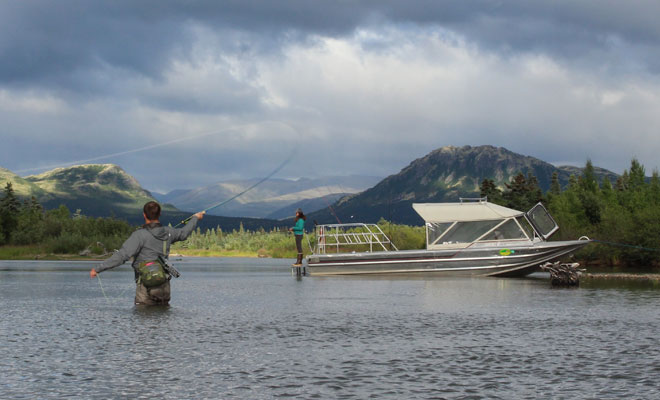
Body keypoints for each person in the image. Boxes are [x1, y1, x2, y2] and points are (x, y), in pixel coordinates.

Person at [89, 201, 205, 305]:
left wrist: (98, 269)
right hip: (164, 288)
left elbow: (122, 256)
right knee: (162, 324)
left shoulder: (139, 235)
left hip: (145, 290)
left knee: (142, 325)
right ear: (159, 215)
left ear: (144, 215)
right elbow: (184, 233)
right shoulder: (169, 232)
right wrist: (195, 218)